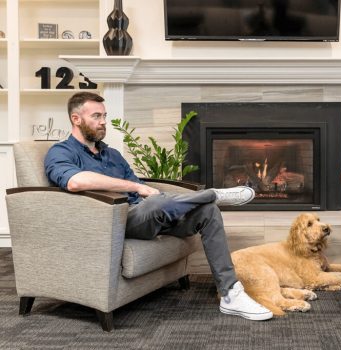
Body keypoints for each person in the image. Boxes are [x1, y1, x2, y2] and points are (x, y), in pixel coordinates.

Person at [44, 92, 273, 321]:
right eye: (96, 116)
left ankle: (231, 294)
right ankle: (210, 194)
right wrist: (137, 189)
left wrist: (145, 192)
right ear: (76, 119)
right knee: (155, 201)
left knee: (208, 211)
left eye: (104, 115)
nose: (103, 121)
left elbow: (140, 186)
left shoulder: (112, 154)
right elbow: (75, 182)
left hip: (149, 214)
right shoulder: (61, 152)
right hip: (118, 220)